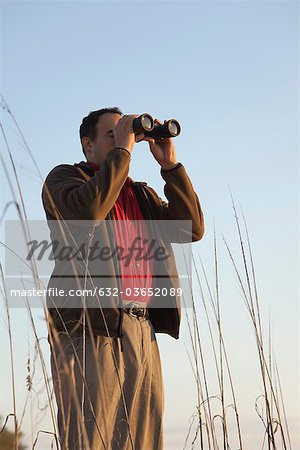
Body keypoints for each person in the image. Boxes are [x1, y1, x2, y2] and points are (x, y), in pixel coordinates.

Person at [41, 107, 205, 450]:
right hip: (91, 330)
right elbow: (88, 213)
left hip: (142, 329)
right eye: (112, 134)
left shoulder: (140, 194)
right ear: (88, 145)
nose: (123, 139)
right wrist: (124, 151)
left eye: (126, 132)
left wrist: (169, 165)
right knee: (92, 438)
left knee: (143, 440)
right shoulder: (65, 181)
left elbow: (191, 229)